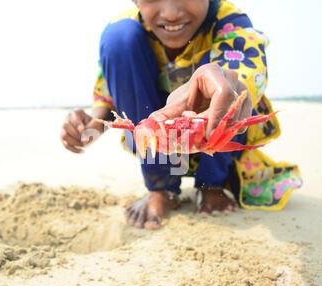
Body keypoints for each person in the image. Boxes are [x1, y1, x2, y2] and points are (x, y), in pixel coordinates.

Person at [60, 0, 302, 229]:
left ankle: (212, 185)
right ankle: (161, 187)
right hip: (162, 145)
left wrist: (230, 85)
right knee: (118, 39)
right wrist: (92, 127)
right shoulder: (127, 29)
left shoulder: (231, 22)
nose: (171, 13)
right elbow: (111, 94)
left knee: (229, 95)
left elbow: (244, 71)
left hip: (214, 140)